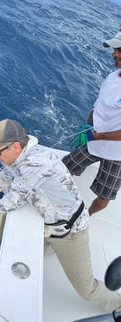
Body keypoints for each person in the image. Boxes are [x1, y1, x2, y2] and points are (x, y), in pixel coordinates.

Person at [0, 118, 121, 312]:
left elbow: (11, 201)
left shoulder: (35, 163)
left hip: (70, 233)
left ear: (15, 146)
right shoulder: (19, 156)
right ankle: (51, 247)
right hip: (52, 224)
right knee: (30, 249)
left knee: (86, 290)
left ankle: (118, 304)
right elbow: (6, 177)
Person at [62, 30, 121, 216]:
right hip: (94, 138)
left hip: (116, 155)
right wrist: (88, 126)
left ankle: (85, 218)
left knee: (104, 197)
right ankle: (57, 202)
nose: (114, 53)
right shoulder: (112, 77)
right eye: (115, 49)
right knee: (64, 168)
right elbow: (98, 106)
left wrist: (97, 135)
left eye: (119, 50)